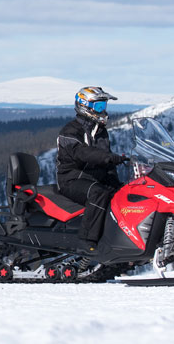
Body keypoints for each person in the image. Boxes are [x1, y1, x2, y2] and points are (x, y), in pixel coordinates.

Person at [56, 86, 128, 248]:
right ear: (85, 106)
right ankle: (87, 241)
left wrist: (116, 183)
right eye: (99, 107)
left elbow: (105, 160)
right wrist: (109, 158)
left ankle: (121, 240)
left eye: (104, 106)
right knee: (98, 193)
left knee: (125, 193)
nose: (103, 111)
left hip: (94, 178)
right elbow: (82, 153)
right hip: (72, 179)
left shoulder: (100, 131)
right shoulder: (70, 131)